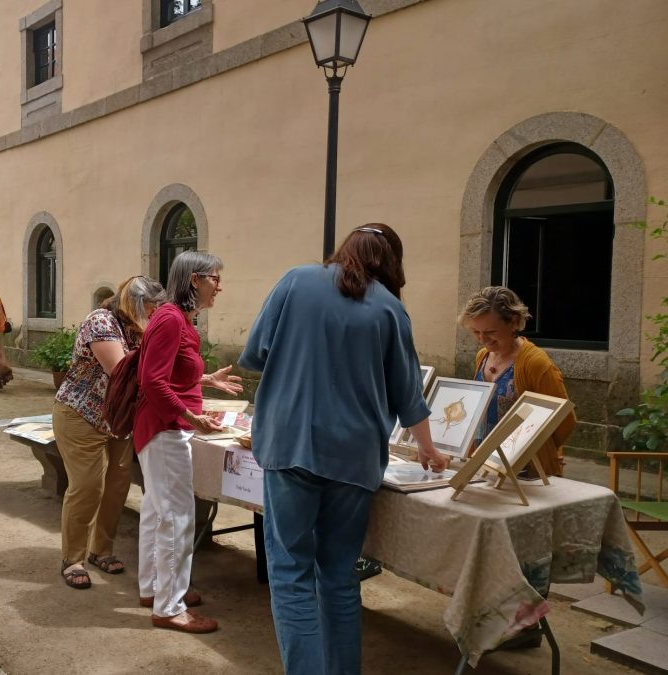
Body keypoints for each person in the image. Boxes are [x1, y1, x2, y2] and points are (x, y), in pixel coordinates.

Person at [239, 224, 448, 674]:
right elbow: (409, 396)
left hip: (290, 445)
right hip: (354, 458)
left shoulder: (296, 280)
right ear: (393, 264)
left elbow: (255, 353)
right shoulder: (392, 309)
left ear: (344, 249)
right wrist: (429, 450)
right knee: (338, 577)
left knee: (291, 575)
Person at [135, 252, 243, 634]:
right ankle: (169, 607)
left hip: (163, 427)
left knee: (157, 511)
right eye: (215, 278)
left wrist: (205, 380)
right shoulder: (170, 319)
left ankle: (154, 589)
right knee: (177, 518)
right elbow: (152, 381)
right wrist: (192, 415)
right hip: (166, 429)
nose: (220, 286)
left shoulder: (173, 318)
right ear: (194, 280)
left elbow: (171, 375)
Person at [53, 275, 165, 590]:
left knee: (116, 487)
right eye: (152, 307)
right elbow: (121, 371)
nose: (155, 313)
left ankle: (101, 550)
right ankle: (72, 559)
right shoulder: (100, 323)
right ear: (136, 303)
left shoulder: (138, 328)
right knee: (88, 487)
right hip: (81, 414)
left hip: (118, 419)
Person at [461, 286, 576, 477]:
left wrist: (539, 448)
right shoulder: (482, 356)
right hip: (485, 466)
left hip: (525, 470)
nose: (483, 339)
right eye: (476, 332)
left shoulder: (535, 363)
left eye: (490, 331)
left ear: (514, 322)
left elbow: (565, 419)